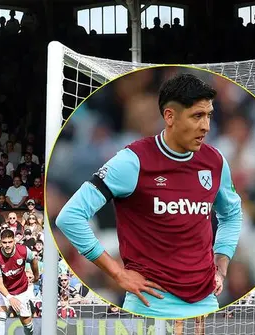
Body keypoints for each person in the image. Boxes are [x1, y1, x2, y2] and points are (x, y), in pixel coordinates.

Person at [56, 73, 243, 318]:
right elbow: (69, 217)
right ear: (170, 116)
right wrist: (117, 273)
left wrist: (222, 262)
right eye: (197, 116)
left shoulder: (215, 161)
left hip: (205, 301)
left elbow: (232, 214)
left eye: (209, 115)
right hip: (149, 305)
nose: (206, 126)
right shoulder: (133, 161)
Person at [0, 229, 39, 335]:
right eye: (4, 242)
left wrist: (36, 275)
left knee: (26, 322)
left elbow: (33, 260)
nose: (7, 245)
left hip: (22, 290)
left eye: (10, 242)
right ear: (0, 242)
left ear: (14, 241)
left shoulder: (23, 251)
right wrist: (10, 298)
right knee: (1, 315)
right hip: (4, 290)